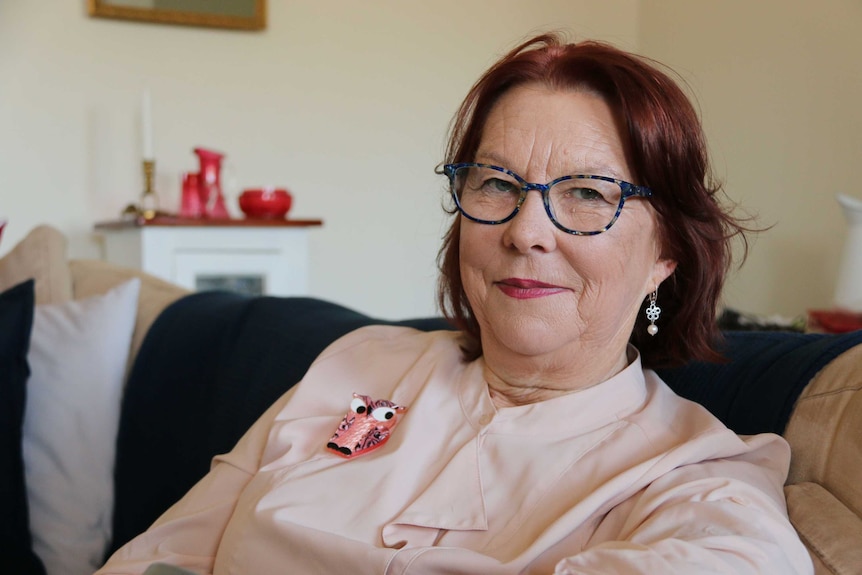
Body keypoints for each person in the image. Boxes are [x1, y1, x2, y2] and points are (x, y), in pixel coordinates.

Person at [96, 33, 813, 574]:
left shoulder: (696, 479)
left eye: (589, 194)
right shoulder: (357, 364)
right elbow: (163, 554)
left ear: (669, 253)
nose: (526, 232)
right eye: (496, 183)